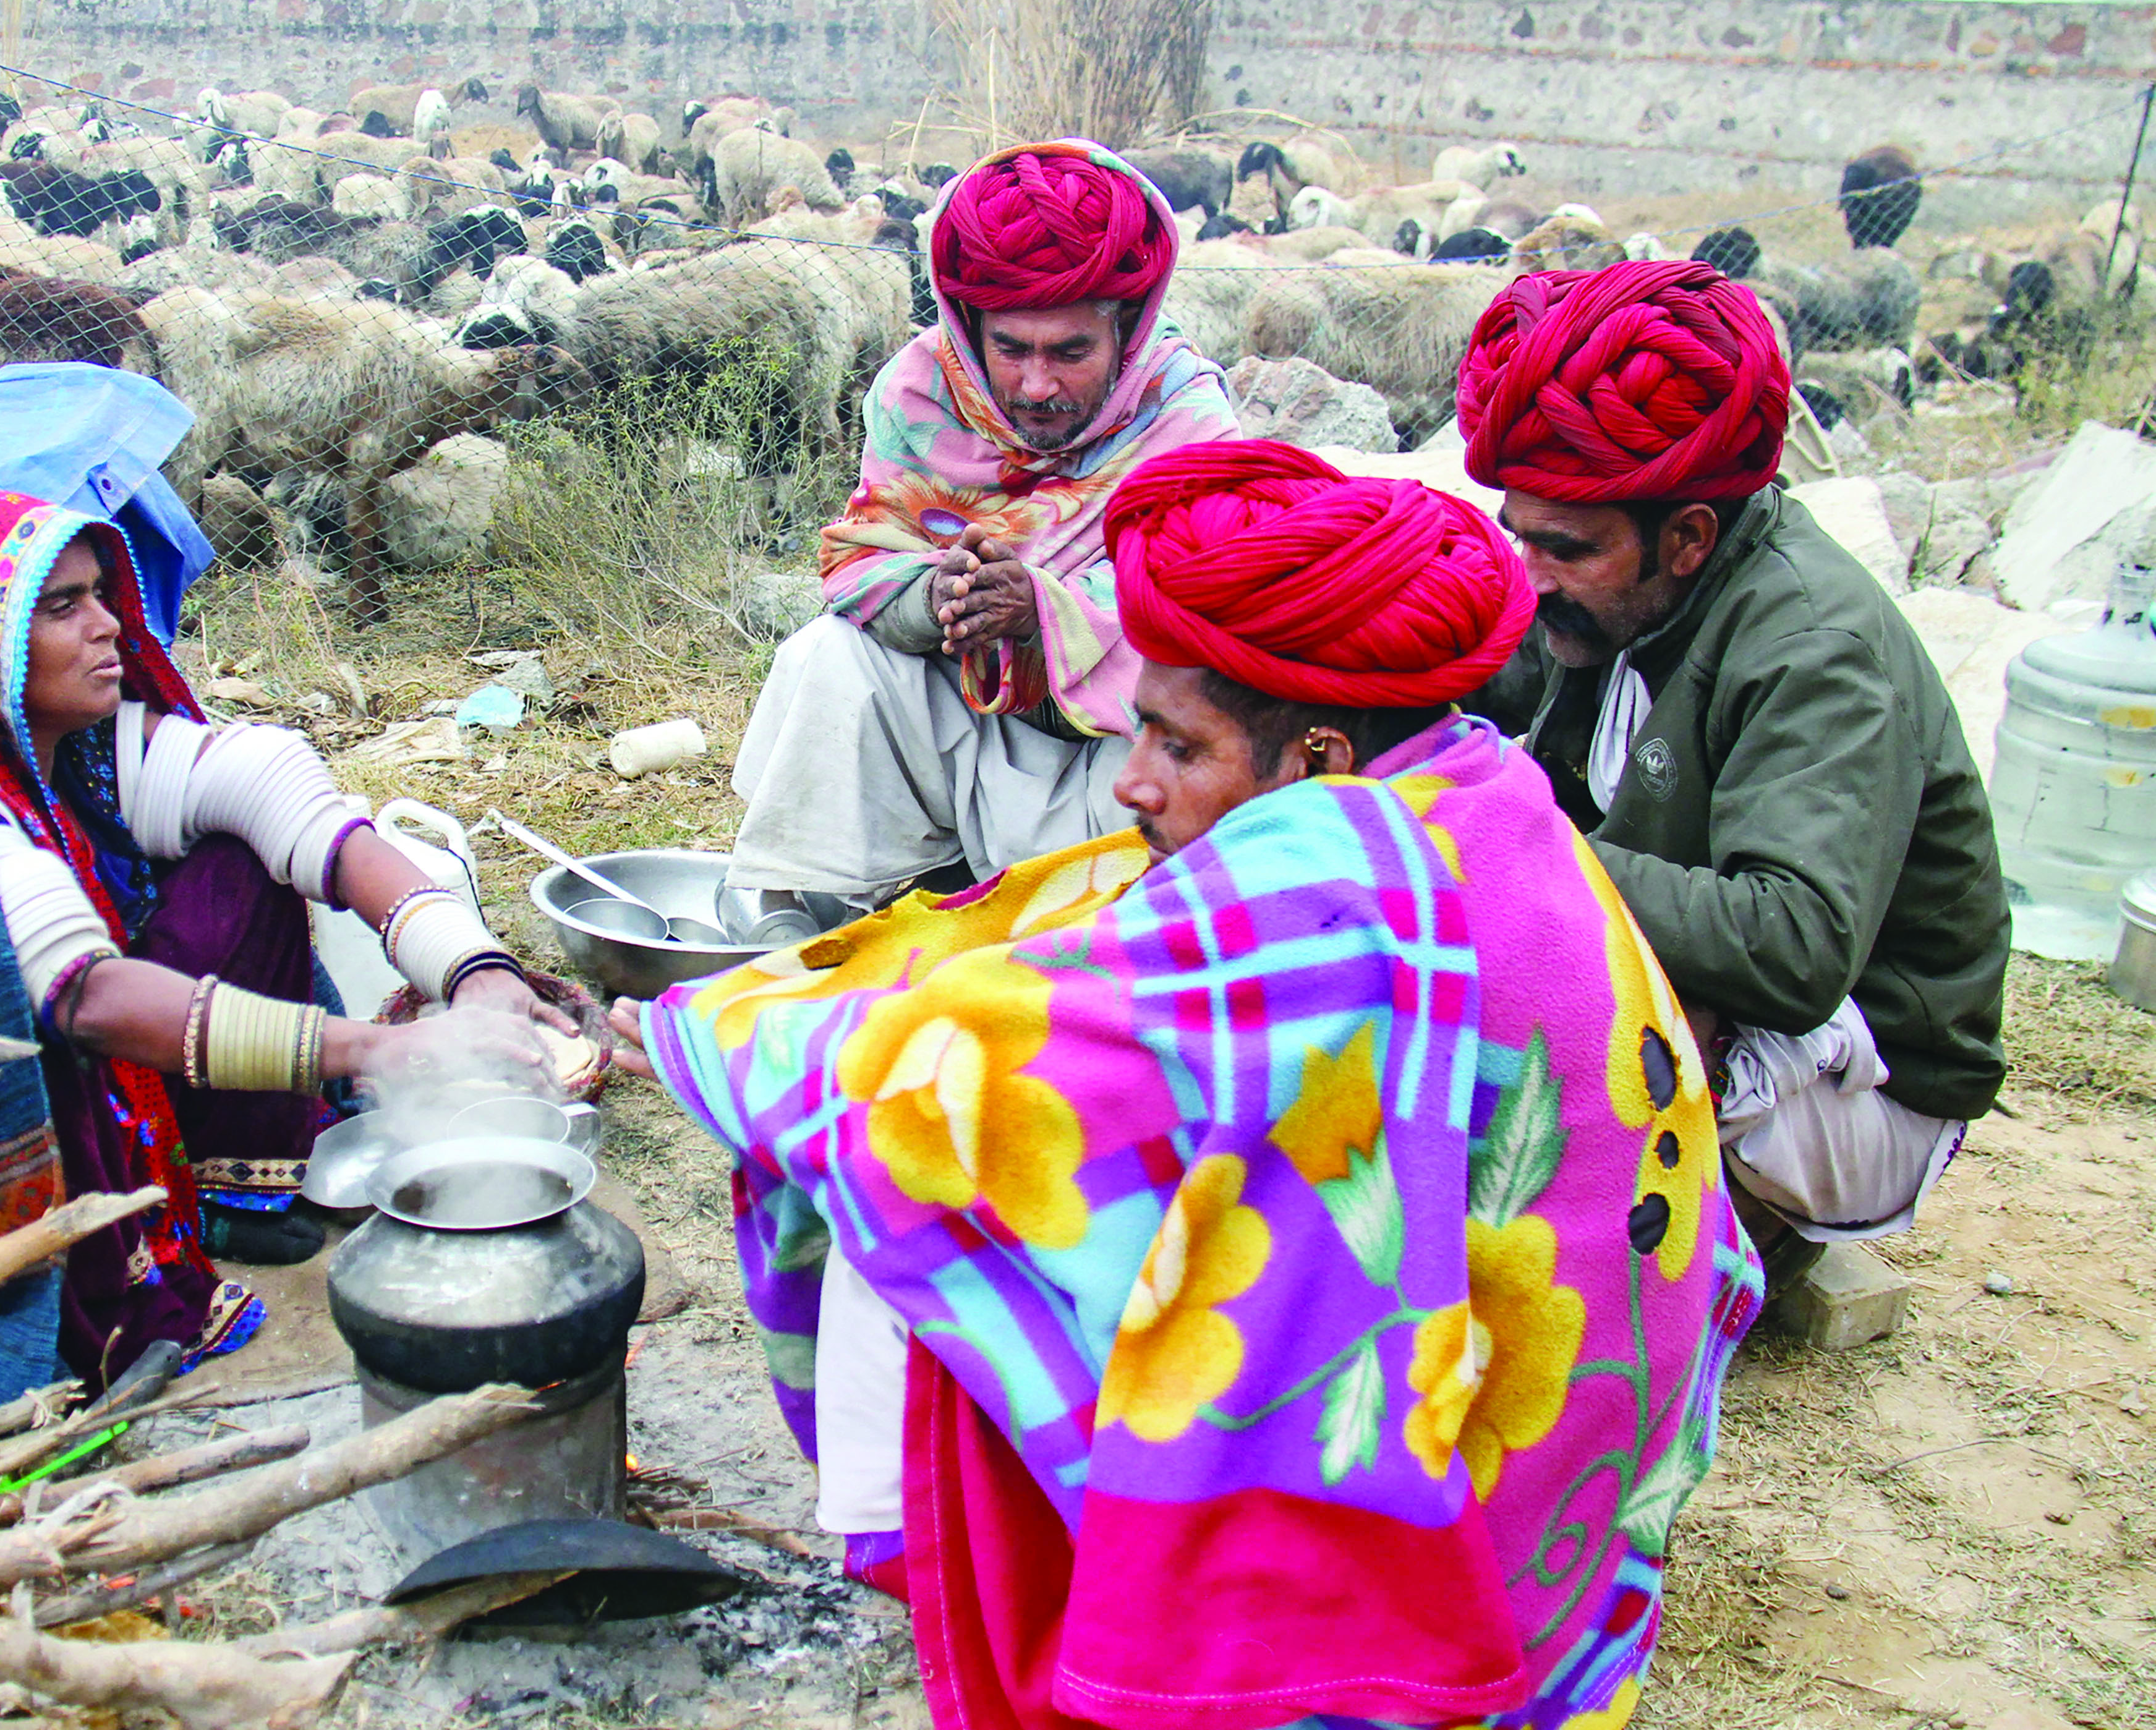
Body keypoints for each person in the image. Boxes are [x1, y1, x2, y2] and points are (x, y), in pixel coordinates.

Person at [610, 442, 1760, 1730]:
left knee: (915, 1184)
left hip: (1430, 1535)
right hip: (1567, 1530)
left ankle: (991, 1621)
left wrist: (687, 1031)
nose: (1131, 778)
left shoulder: (1328, 872)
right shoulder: (1485, 788)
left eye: (1174, 739)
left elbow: (950, 1078)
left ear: (1320, 751)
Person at [0, 489, 565, 1412]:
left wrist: (474, 969)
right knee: (55, 1030)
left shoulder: (72, 751)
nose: (108, 625)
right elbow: (87, 997)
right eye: (63, 607)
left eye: (101, 593)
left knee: (239, 867)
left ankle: (224, 1191)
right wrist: (375, 1049)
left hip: (94, 1048)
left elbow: (286, 797)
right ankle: (105, 1272)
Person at [1457, 258, 2006, 1297]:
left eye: (1562, 548)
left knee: (1496, 1248)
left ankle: (1725, 1221)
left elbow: (1793, 941)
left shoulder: (1814, 645)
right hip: (1707, 989)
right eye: (1515, 534)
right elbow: (1483, 673)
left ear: (1690, 536)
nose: (1528, 574)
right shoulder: (1611, 589)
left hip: (1860, 1075)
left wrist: (1510, 837)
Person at [725, 139, 1238, 930]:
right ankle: (828, 907)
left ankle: (1096, 945)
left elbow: (1200, 608)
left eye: (1072, 351)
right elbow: (867, 556)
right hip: (961, 722)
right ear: (969, 328)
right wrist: (939, 597)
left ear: (1128, 331)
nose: (1038, 385)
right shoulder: (921, 390)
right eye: (1011, 349)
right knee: (828, 655)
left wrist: (1043, 611)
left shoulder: (1186, 421)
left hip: (1105, 753)